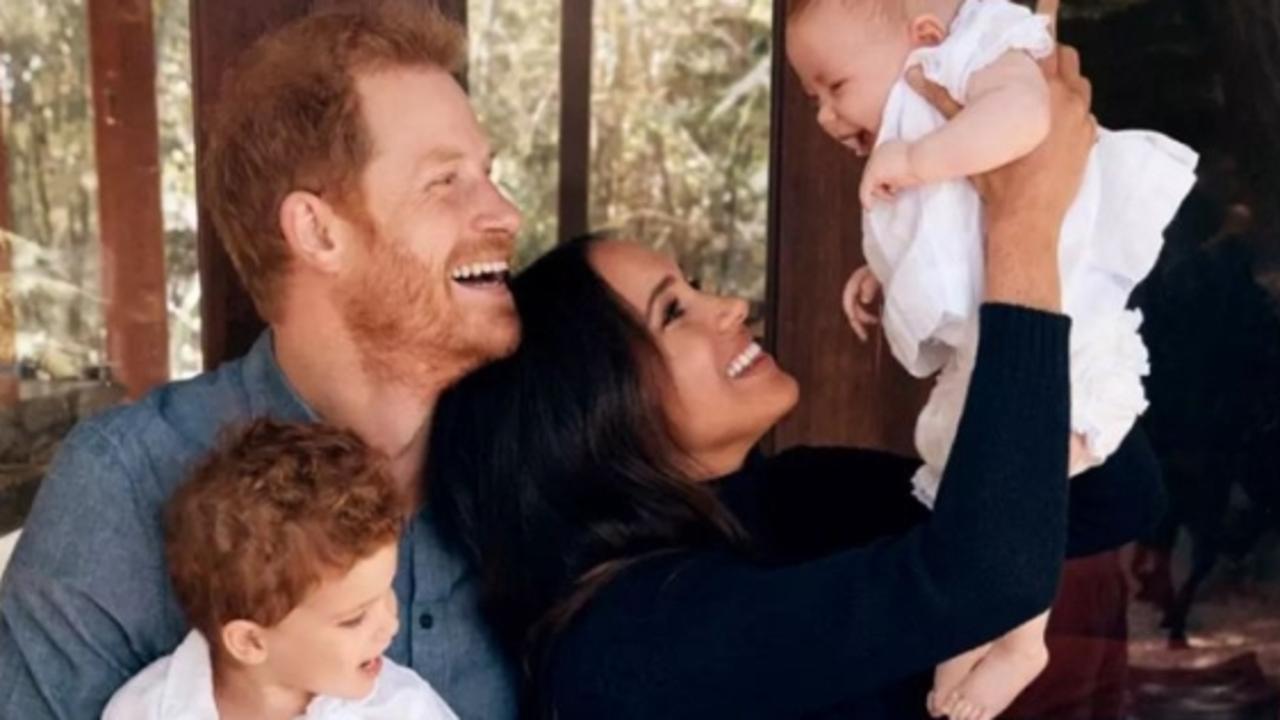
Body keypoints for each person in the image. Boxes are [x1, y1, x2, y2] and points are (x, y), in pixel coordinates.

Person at [427, 46, 1165, 720]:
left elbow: (1105, 499)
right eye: (675, 312)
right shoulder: (629, 642)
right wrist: (1023, 227)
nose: (732, 308)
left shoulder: (791, 498)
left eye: (698, 284)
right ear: (590, 411)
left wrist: (968, 281)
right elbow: (986, 577)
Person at [0, 4, 520, 718]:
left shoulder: (533, 458)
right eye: (446, 181)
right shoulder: (124, 488)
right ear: (317, 231)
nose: (505, 213)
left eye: (488, 174)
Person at [784, 0, 1196, 714]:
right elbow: (952, 225)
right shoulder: (921, 110)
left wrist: (914, 159)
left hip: (1066, 334)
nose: (824, 114)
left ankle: (1019, 641)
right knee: (971, 492)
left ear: (921, 38)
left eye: (835, 85)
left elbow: (1026, 121)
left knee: (1019, 484)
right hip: (995, 346)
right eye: (812, 97)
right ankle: (971, 633)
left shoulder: (980, 51)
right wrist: (884, 274)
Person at [103, 420, 458, 720]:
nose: (391, 624)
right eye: (355, 618)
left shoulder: (403, 709)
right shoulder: (146, 711)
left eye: (387, 592)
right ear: (251, 641)